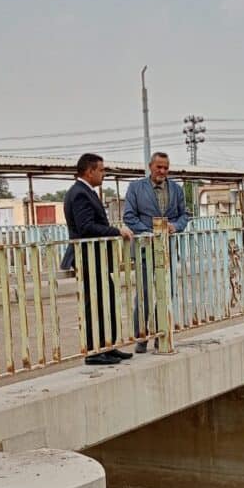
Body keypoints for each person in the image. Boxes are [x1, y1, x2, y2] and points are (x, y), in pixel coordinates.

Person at [63, 153, 134, 366]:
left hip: (95, 257)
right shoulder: (79, 194)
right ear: (89, 171)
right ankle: (94, 352)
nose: (104, 174)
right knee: (94, 303)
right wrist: (116, 231)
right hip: (87, 257)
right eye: (101, 170)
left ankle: (107, 346)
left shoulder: (86, 192)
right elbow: (86, 227)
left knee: (108, 300)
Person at [123, 151, 190, 352]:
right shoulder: (135, 188)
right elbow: (129, 217)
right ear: (150, 166)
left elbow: (184, 215)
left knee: (166, 294)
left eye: (166, 167)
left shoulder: (176, 189)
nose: (162, 171)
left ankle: (161, 334)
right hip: (144, 249)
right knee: (143, 294)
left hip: (167, 251)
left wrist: (175, 227)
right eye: (159, 167)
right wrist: (152, 233)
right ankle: (141, 337)